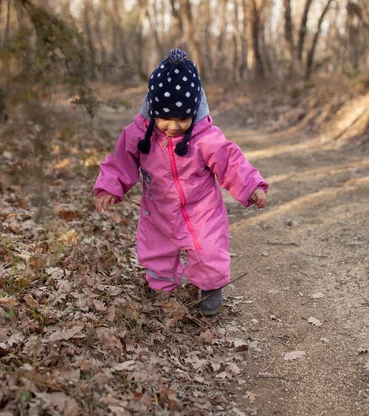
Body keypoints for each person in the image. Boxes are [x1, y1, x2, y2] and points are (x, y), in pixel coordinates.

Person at [94, 48, 269, 316]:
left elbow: (230, 161)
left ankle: (210, 287)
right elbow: (121, 160)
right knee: (157, 251)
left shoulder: (205, 137)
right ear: (153, 110)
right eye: (165, 119)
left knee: (208, 249)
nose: (173, 127)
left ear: (195, 111)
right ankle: (162, 291)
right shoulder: (139, 135)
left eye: (182, 119)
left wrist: (251, 186)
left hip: (201, 209)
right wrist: (109, 186)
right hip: (158, 209)